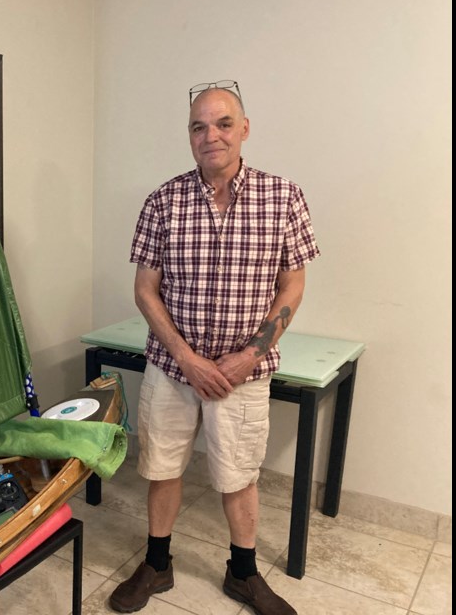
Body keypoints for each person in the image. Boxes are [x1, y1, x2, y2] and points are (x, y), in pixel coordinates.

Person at [108, 81, 320, 615]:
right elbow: (144, 289)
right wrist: (184, 356)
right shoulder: (163, 201)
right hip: (172, 369)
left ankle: (243, 574)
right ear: (189, 136)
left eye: (223, 123)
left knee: (238, 475)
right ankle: (157, 564)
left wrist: (250, 353)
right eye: (199, 126)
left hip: (242, 373)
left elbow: (292, 284)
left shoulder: (283, 197)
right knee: (161, 467)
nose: (211, 136)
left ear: (244, 129)